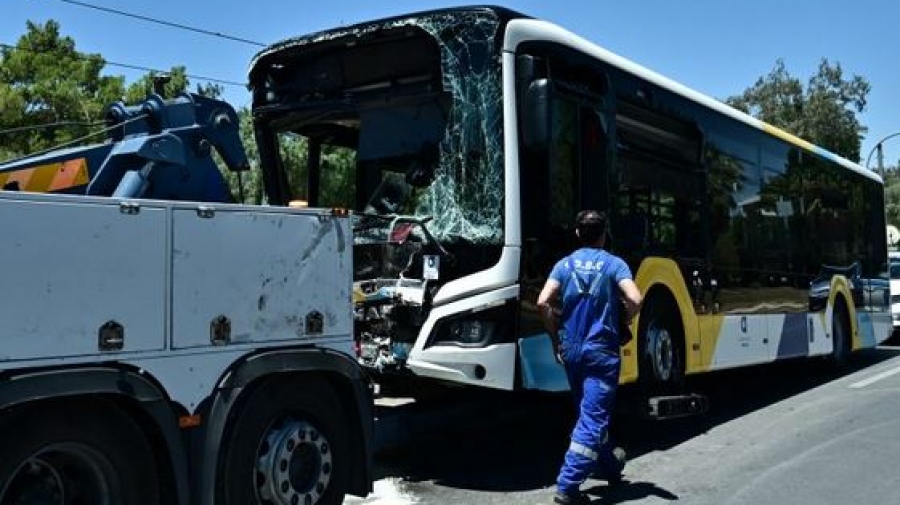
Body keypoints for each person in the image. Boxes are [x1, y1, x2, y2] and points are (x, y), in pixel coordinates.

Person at [537, 210, 643, 505]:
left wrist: (554, 337)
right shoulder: (614, 264)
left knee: (589, 413)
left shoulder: (564, 265)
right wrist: (626, 320)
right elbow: (635, 298)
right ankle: (568, 485)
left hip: (571, 350)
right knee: (592, 418)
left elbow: (543, 302)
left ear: (577, 233)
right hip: (602, 352)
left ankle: (610, 465)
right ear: (604, 234)